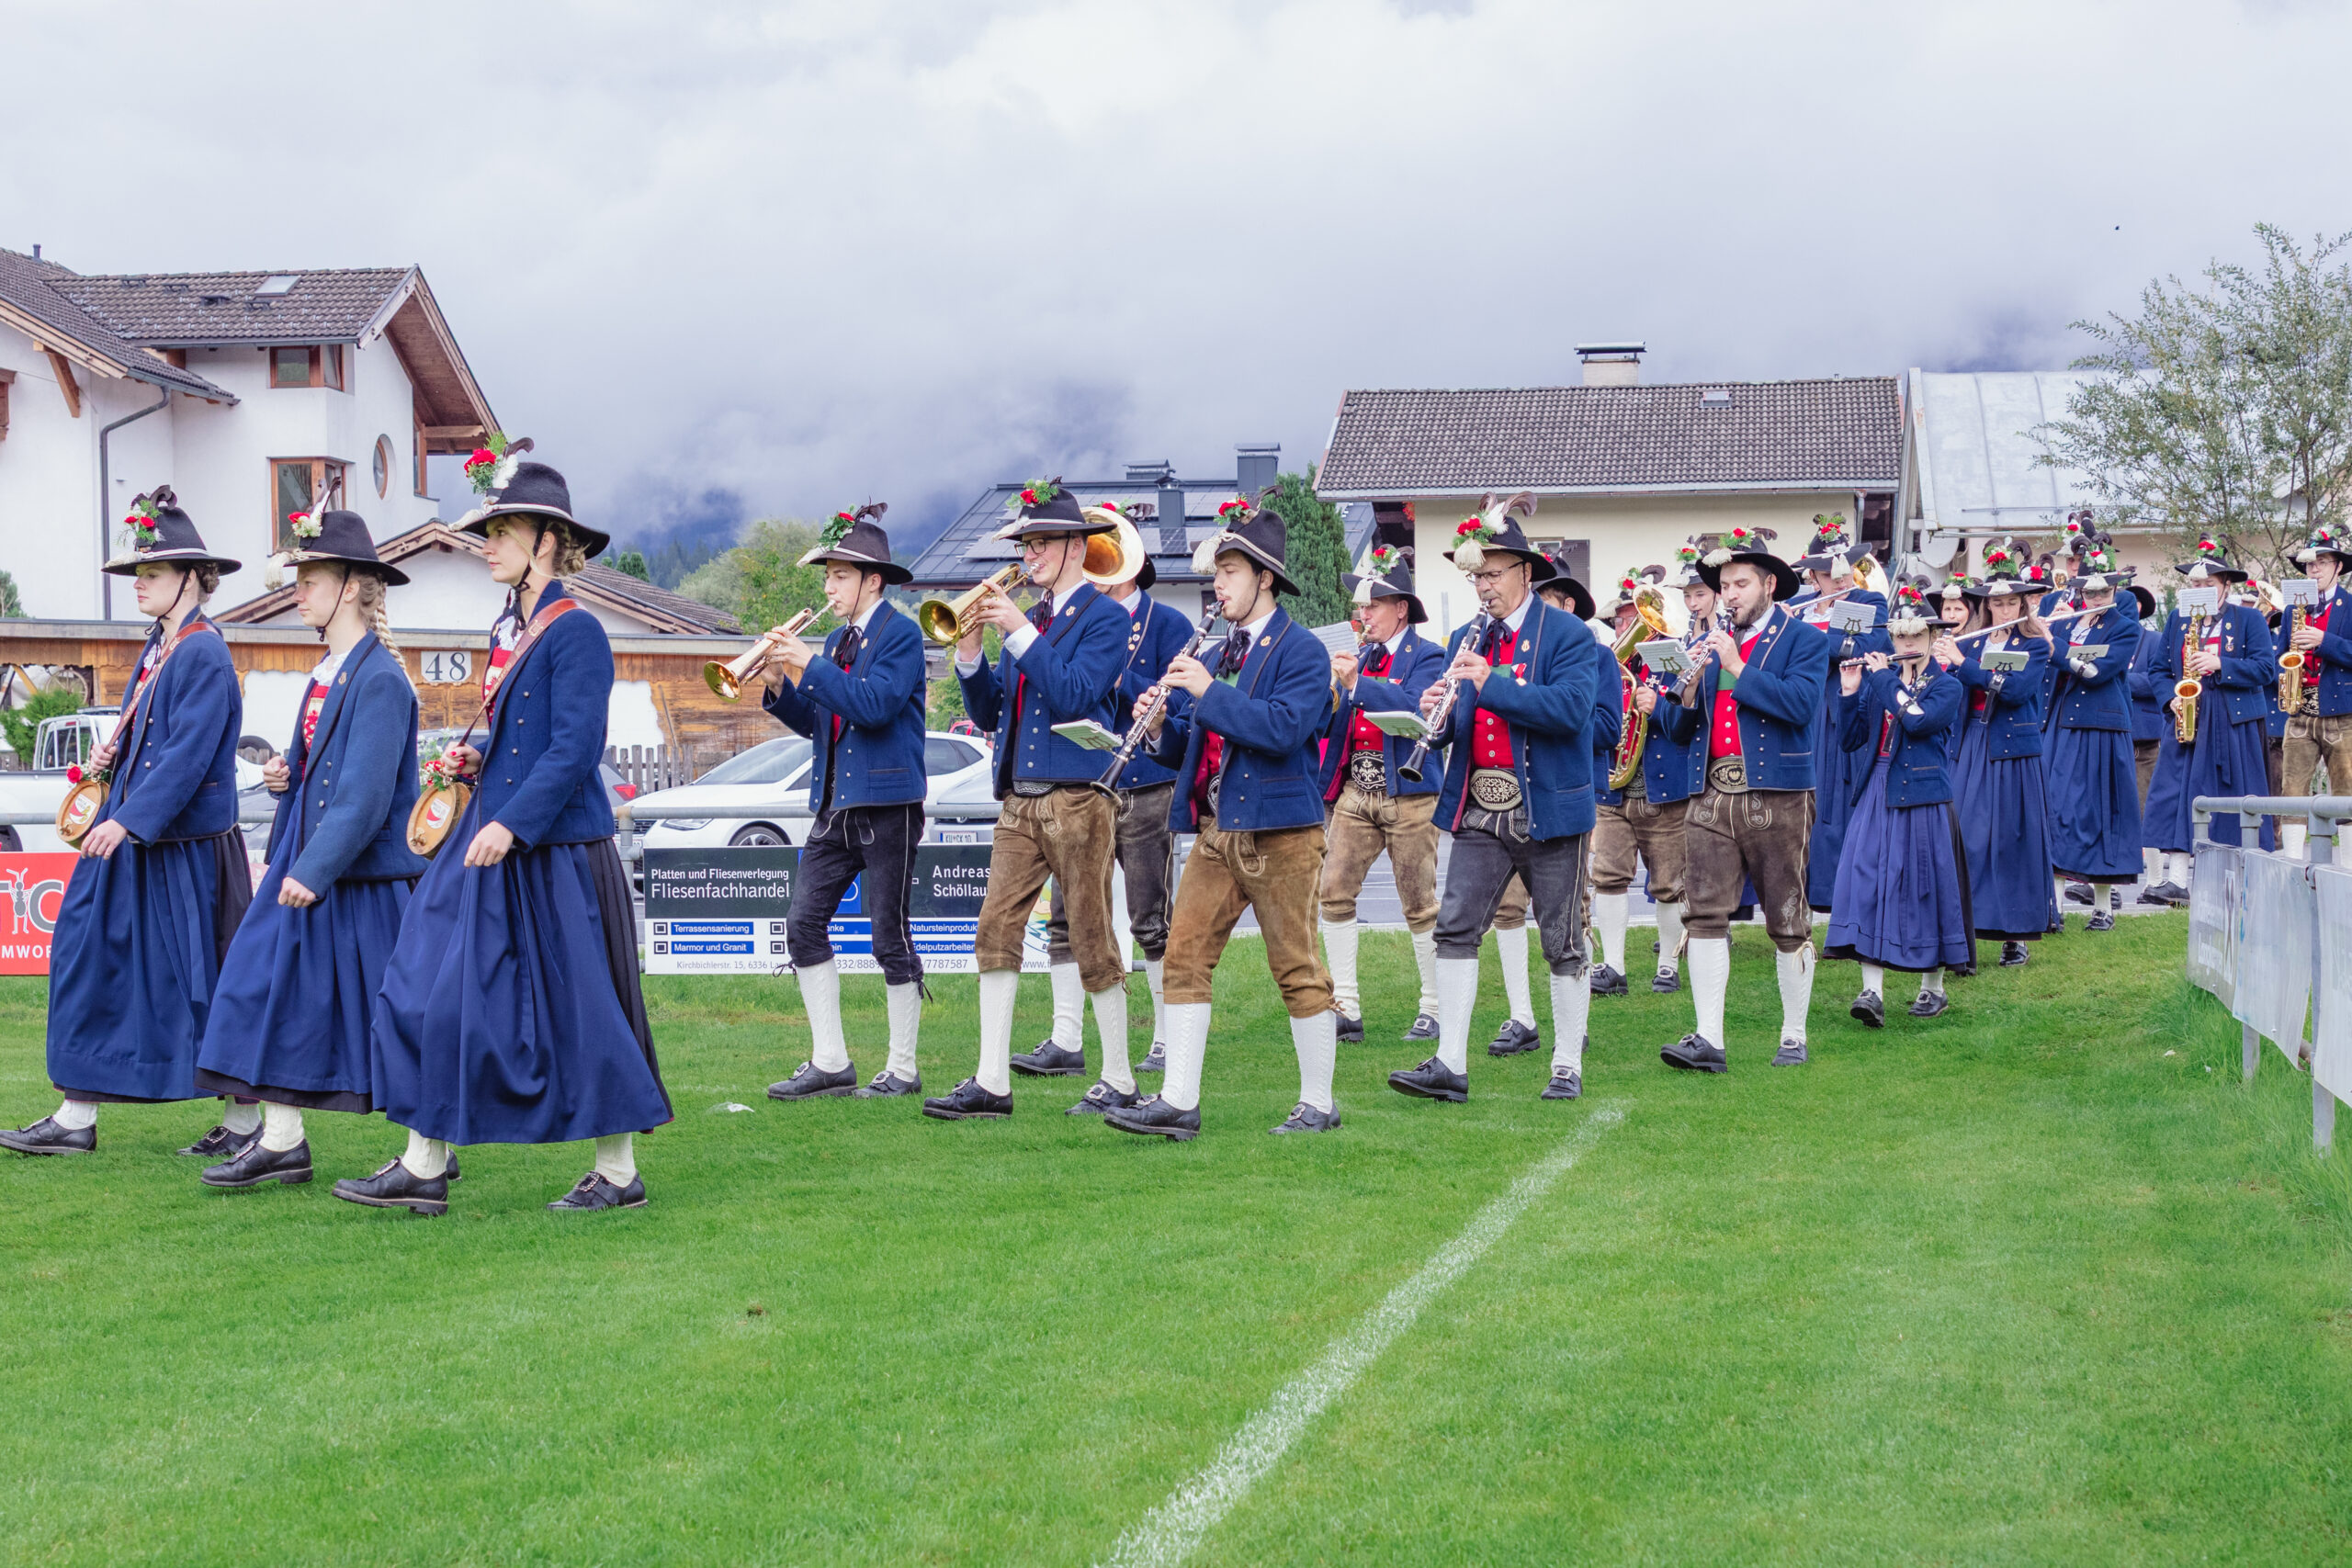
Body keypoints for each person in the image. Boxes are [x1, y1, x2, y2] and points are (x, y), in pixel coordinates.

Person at [341, 460, 672, 1215]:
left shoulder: (578, 629)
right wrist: (477, 757)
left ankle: (618, 1172)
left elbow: (575, 747)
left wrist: (511, 822)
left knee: (584, 1013)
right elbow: (521, 737)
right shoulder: (507, 627)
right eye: (486, 533)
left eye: (501, 532)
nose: (486, 546)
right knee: (422, 985)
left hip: (556, 852)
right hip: (489, 840)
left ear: (546, 541)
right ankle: (424, 1161)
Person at [2, 491, 252, 1157]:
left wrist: (129, 821)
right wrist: (111, 759)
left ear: (192, 578)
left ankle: (250, 1123)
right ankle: (76, 1114)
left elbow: (189, 754)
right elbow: (157, 741)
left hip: (181, 852)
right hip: (144, 840)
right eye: (137, 572)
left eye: (152, 572)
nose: (138, 583)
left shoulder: (202, 651)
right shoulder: (161, 644)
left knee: (207, 986)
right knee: (90, 962)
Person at [190, 513, 426, 1188]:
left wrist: (312, 871)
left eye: (311, 580)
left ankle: (429, 1147)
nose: (298, 592)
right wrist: (286, 774)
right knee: (260, 984)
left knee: (399, 1016)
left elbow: (366, 797)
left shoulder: (380, 680)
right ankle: (283, 1139)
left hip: (359, 877)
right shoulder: (330, 670)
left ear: (351, 587)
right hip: (310, 857)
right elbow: (326, 772)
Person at [1104, 502, 1344, 1139]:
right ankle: (1178, 1100)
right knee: (1183, 956)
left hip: (1282, 833)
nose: (1218, 583)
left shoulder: (1303, 651)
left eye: (1230, 571)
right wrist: (1162, 725)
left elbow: (1282, 730)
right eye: (1217, 572)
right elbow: (1194, 746)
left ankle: (1319, 1103)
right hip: (1218, 830)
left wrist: (1207, 691)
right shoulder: (1216, 651)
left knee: (1296, 966)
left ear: (1265, 578)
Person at [925, 481, 1132, 1121]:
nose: (1029, 554)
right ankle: (992, 1080)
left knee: (1091, 934)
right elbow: (993, 713)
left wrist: (1017, 632)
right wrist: (969, 656)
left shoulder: (1106, 618)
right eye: (1026, 543)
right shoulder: (1032, 620)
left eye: (1040, 542)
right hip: (1020, 797)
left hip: (1079, 799)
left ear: (1075, 547)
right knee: (995, 928)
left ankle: (1120, 1077)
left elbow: (1075, 693)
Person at [1386, 494, 1601, 1105]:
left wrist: (1489, 682)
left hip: (1547, 806)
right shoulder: (1466, 636)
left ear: (1525, 572)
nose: (1484, 586)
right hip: (1480, 805)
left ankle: (1566, 1063)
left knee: (1562, 939)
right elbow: (1464, 724)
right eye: (1477, 576)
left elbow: (1571, 711)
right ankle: (1449, 1063)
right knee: (1455, 928)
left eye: (1494, 574)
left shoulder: (1568, 634)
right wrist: (1436, 714)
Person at [755, 503, 931, 1102]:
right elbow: (822, 723)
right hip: (835, 806)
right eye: (828, 576)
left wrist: (809, 664)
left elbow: (874, 706)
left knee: (889, 938)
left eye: (838, 576)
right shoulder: (835, 640)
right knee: (802, 924)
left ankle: (902, 1068)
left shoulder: (901, 634)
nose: (828, 588)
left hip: (888, 805)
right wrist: (779, 685)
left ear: (872, 581)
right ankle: (830, 1061)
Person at [1652, 528, 1832, 1072]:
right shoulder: (1709, 644)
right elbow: (1677, 730)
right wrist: (1684, 691)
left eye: (1740, 584)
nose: (1729, 595)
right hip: (1711, 793)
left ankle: (1794, 1035)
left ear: (1769, 585)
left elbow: (1800, 706)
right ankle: (1709, 1038)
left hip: (1778, 796)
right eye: (1724, 586)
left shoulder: (1804, 640)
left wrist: (1736, 666)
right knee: (1704, 915)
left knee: (1787, 915)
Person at [1046, 504, 1193, 1079]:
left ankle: (1165, 1036)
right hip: (1085, 783)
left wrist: (1115, 675)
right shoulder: (1071, 617)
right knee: (1067, 915)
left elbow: (1174, 707)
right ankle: (1065, 1036)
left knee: (1149, 917)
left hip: (1146, 785)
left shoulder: (1168, 625)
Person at [1317, 545, 1447, 1044]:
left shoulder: (1429, 655)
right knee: (1333, 892)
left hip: (1409, 793)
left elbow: (1416, 707)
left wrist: (1358, 684)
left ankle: (1433, 1007)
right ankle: (1345, 1005)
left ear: (1401, 609)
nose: (1363, 615)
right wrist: (1329, 687)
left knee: (1419, 903)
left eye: (1373, 605)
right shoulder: (1364, 655)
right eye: (1361, 606)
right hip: (1357, 790)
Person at [1827, 586, 1973, 1022]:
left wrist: (1882, 679)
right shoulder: (1879, 681)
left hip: (1924, 796)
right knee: (1866, 881)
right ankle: (1871, 991)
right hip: (1878, 789)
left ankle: (1933, 989)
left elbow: (1918, 721)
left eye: (1917, 635)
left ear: (1932, 636)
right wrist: (1849, 692)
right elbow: (1851, 740)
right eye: (1901, 636)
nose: (1908, 644)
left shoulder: (1947, 686)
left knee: (1927, 887)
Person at [1484, 568, 1604, 1057]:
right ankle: (1522, 1017)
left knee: (1566, 922)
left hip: (1558, 793)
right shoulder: (1496, 644)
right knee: (1507, 911)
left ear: (1567, 607)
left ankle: (1575, 1028)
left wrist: (1523, 703)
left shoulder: (1590, 652)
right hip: (1502, 800)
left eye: (1547, 602)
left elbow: (1603, 727)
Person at [1932, 547, 2057, 966]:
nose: (2005, 610)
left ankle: (2015, 935)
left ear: (2023, 604)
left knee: (2010, 841)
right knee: (1965, 839)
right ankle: (1962, 936)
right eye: (1997, 603)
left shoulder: (2035, 645)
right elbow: (1954, 690)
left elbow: (2017, 691)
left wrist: (1964, 664)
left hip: (2013, 751)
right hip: (1971, 745)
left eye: (2012, 602)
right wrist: (1941, 664)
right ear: (1986, 605)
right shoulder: (1972, 641)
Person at [2143, 538, 2278, 897]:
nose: (2200, 588)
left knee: (2231, 799)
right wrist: (2170, 698)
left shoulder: (2248, 618)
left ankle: (2238, 880)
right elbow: (2158, 669)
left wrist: (2221, 664)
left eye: (2208, 583)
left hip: (2232, 722)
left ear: (2226, 586)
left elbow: (2266, 669)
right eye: (2196, 583)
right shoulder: (2177, 619)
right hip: (2187, 716)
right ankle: (2177, 881)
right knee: (2175, 796)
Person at [1583, 567, 1690, 1000]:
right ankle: (1613, 967)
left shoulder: (1675, 658)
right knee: (1608, 877)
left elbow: (1690, 724)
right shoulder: (1607, 664)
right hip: (1613, 788)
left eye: (1632, 618)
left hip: (1663, 790)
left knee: (1669, 882)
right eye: (1621, 620)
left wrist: (1658, 706)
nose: (1625, 626)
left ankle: (1668, 965)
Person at [2041, 547, 2147, 923]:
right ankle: (2053, 907)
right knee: (2057, 810)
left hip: (2103, 727)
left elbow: (2097, 671)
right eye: (2090, 592)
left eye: (2103, 592)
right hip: (2062, 726)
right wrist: (2044, 630)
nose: (2097, 598)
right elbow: (2047, 667)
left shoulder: (2126, 626)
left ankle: (2103, 907)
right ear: (2080, 592)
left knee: (2104, 813)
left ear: (2115, 591)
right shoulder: (2065, 623)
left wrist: (2055, 645)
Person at [1791, 515, 1888, 917]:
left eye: (1846, 569)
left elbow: (1867, 645)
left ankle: (1844, 902)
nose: (1842, 578)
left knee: (1836, 805)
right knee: (1795, 807)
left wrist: (1805, 638)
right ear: (1814, 577)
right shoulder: (1795, 607)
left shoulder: (1869, 602)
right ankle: (1796, 907)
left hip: (1839, 712)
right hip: (1798, 711)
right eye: (1832, 573)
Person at [2278, 524, 2352, 859]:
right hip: (2299, 711)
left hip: (2343, 713)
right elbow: (2280, 656)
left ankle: (2348, 870)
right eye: (2310, 563)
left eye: (2322, 562)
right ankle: (2293, 866)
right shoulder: (2293, 609)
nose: (2314, 569)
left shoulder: (2350, 605)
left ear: (2339, 566)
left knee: (2346, 793)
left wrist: (2325, 641)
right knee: (2291, 791)